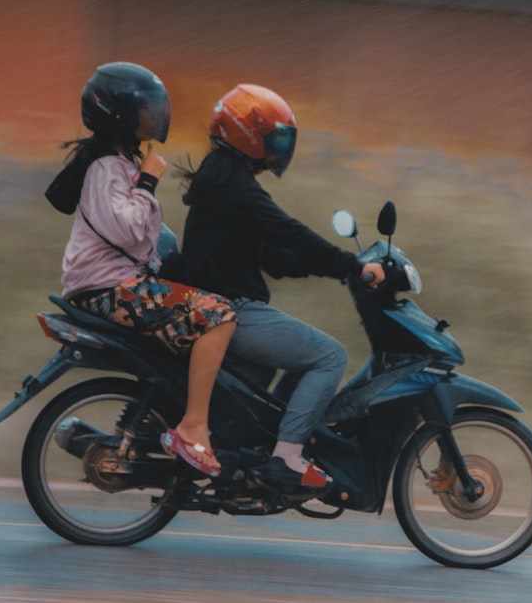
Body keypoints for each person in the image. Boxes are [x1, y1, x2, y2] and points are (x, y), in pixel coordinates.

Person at [172, 83, 384, 490]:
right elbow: (290, 232)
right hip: (231, 309)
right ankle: (286, 457)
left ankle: (244, 449)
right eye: (275, 138)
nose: (280, 148)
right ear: (247, 134)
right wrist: (354, 266)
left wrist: (335, 270)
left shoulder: (223, 180)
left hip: (220, 304)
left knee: (289, 357)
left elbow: (275, 258)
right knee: (329, 356)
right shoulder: (237, 188)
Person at [50, 62, 237, 477]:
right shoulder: (104, 167)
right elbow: (130, 229)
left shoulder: (116, 161)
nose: (155, 116)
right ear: (118, 114)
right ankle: (193, 427)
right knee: (218, 315)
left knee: (195, 314)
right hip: (109, 289)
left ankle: (157, 423)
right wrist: (149, 181)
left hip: (115, 283)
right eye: (145, 109)